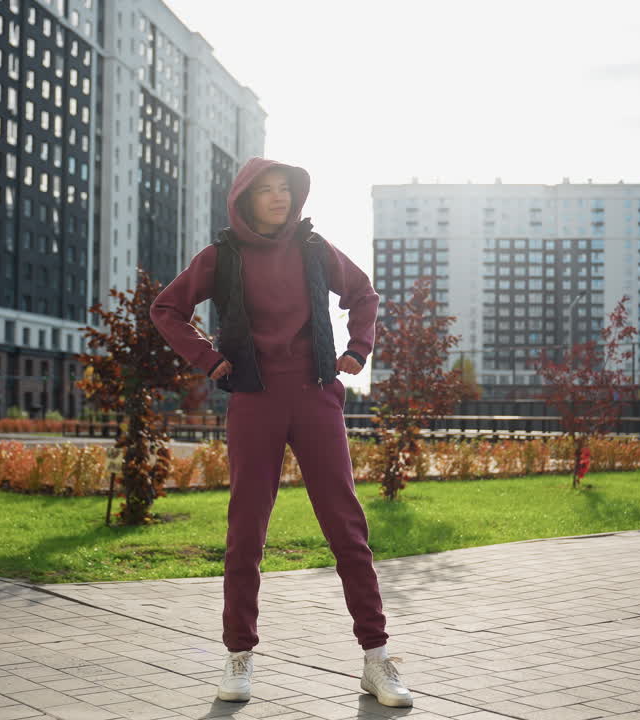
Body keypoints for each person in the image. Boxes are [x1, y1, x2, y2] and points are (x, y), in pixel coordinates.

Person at [150, 158, 412, 708]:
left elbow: (364, 295)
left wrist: (357, 350)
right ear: (245, 199)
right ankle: (238, 655)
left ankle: (375, 658)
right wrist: (208, 358)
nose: (278, 199)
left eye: (285, 191)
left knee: (347, 527)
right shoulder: (222, 257)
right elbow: (166, 308)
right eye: (266, 191)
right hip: (254, 401)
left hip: (316, 396)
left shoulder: (316, 250)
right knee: (246, 531)